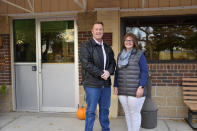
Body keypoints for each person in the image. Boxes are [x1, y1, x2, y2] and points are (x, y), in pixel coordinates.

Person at [80, 21, 116, 131]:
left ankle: (105, 129)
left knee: (105, 109)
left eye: (100, 29)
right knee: (91, 110)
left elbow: (112, 63)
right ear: (92, 31)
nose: (98, 31)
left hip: (105, 84)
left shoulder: (107, 47)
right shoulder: (86, 46)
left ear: (103, 31)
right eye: (96, 29)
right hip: (92, 84)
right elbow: (86, 64)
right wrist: (101, 73)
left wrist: (108, 72)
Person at [114, 33, 148, 131]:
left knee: (135, 113)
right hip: (122, 89)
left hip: (136, 89)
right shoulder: (120, 55)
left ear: (134, 42)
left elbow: (145, 71)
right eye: (126, 40)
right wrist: (115, 86)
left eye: (130, 40)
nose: (128, 42)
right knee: (127, 113)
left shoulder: (139, 54)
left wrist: (141, 87)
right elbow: (117, 72)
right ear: (123, 42)